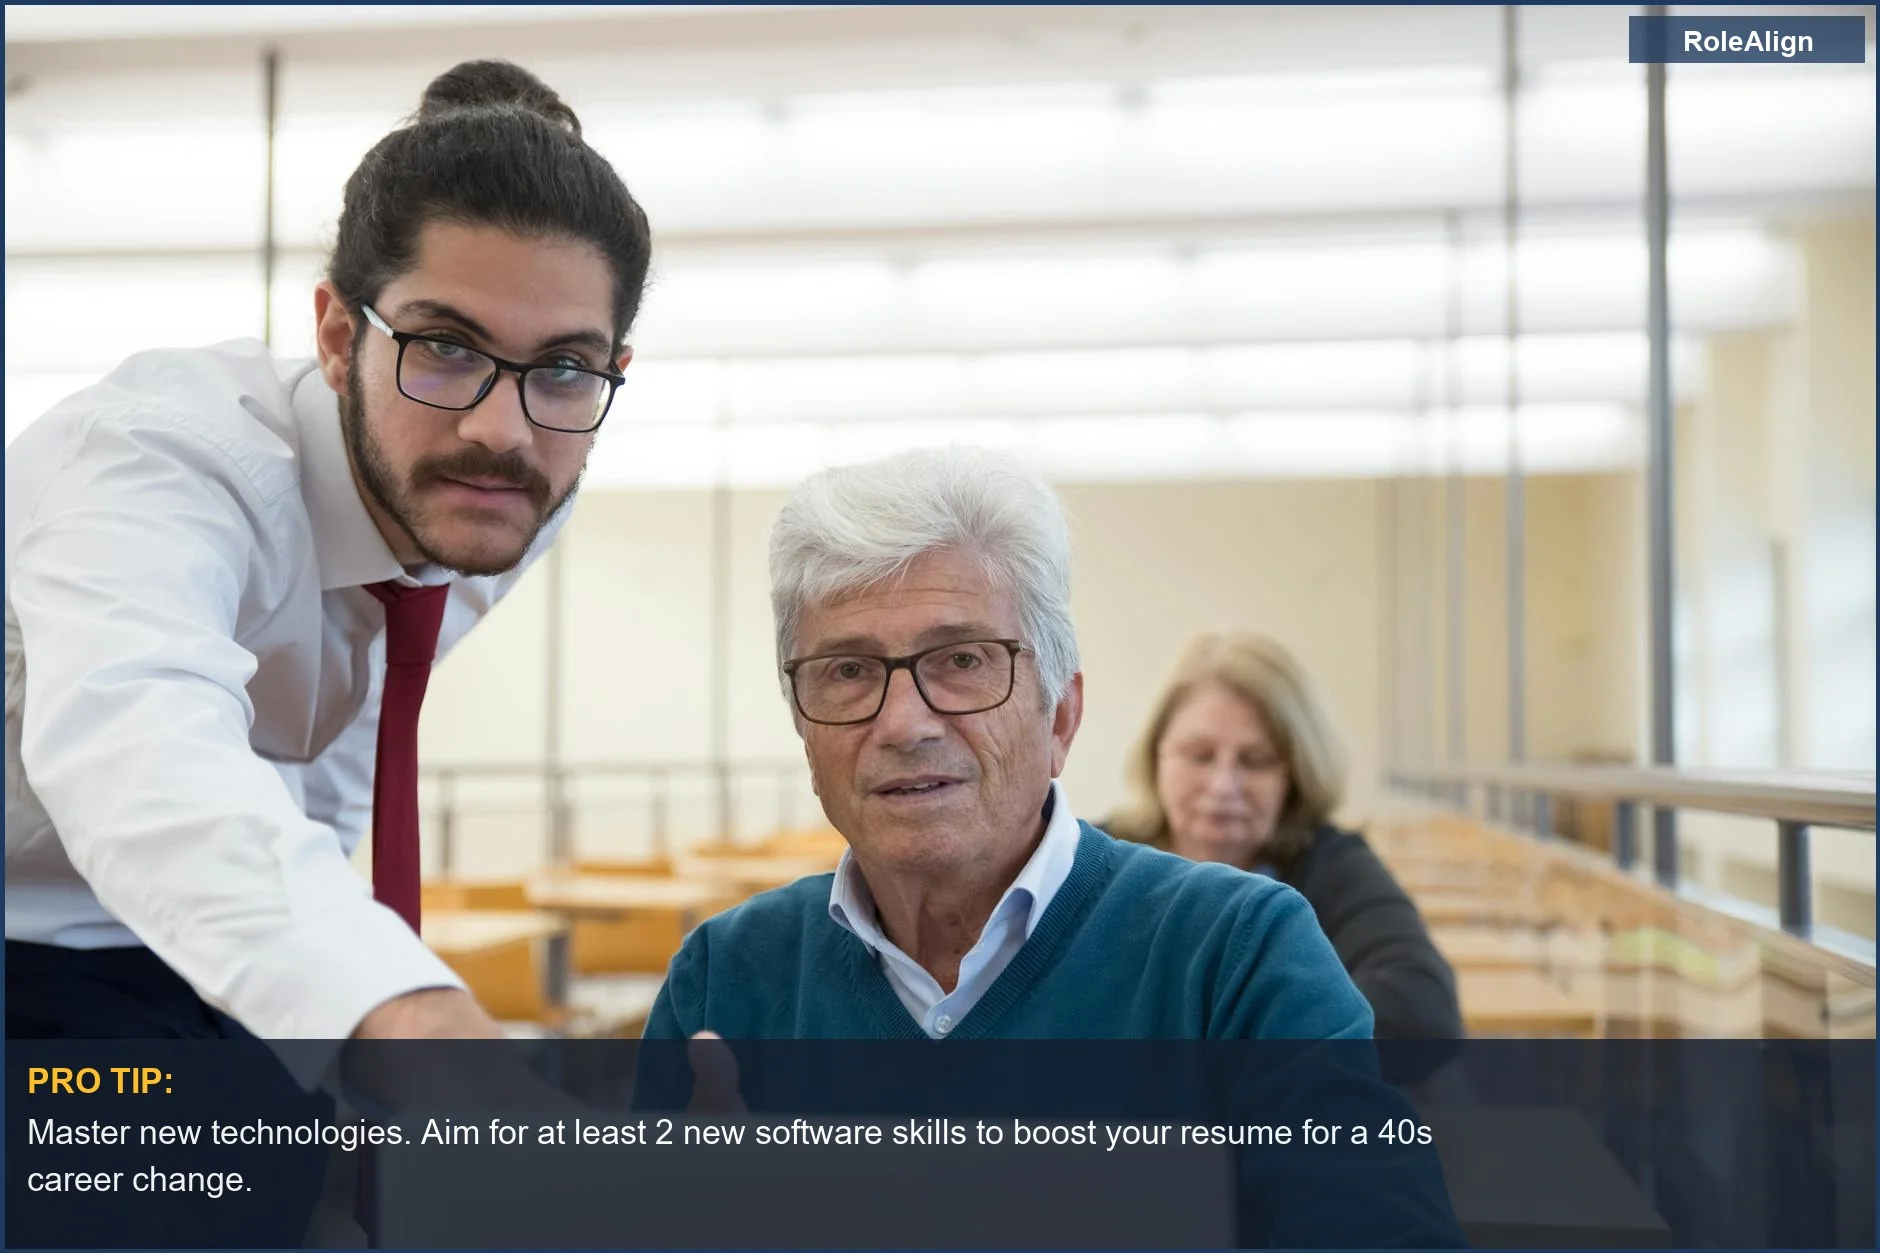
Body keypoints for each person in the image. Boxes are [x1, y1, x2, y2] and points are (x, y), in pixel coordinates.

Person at [639, 446, 1462, 1248]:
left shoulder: (1240, 958)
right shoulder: (721, 984)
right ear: (803, 727)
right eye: (847, 671)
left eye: (962, 660)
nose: (902, 722)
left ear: (1061, 716)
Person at [5, 59, 650, 1047]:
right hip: (30, 932)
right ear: (340, 336)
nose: (503, 429)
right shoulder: (156, 458)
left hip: (198, 946)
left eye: (563, 366)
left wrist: (352, 977)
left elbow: (349, 737)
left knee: (293, 1176)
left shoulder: (509, 490)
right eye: (447, 347)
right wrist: (407, 1014)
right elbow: (138, 740)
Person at [1104, 632, 1464, 1045]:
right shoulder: (1095, 861)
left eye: (1255, 762)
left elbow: (1423, 1008)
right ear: (1156, 758)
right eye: (1199, 756)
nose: (1223, 786)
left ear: (1294, 774)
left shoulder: (1330, 863)